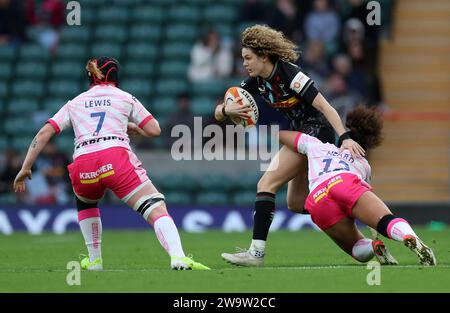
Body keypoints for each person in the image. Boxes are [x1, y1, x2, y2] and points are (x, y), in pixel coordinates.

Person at [13, 56, 210, 271]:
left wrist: (25, 168)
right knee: (155, 206)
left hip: (83, 164)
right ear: (115, 75)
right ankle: (178, 257)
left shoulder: (75, 102)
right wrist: (133, 126)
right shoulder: (125, 97)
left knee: (86, 203)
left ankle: (95, 260)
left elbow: (45, 132)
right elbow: (155, 130)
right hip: (115, 158)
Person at [216, 24, 365, 267]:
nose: (244, 63)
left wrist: (345, 137)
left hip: (317, 133)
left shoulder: (290, 74)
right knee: (297, 203)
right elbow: (218, 114)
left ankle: (256, 254)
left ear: (264, 56)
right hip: (302, 135)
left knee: (266, 183)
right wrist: (226, 108)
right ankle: (357, 223)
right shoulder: (255, 82)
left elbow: (325, 107)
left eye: (248, 58)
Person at [278, 106, 436, 266]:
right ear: (364, 148)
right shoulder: (364, 165)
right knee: (385, 220)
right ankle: (409, 237)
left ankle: (372, 247)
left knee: (356, 249)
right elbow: (367, 208)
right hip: (345, 182)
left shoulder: (317, 146)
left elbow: (283, 135)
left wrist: (264, 130)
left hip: (317, 197)